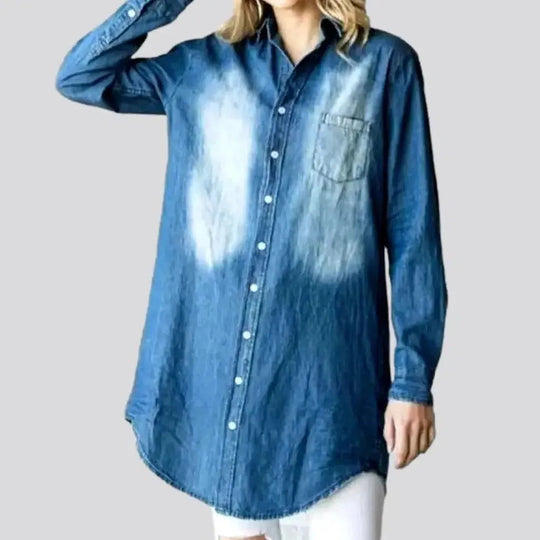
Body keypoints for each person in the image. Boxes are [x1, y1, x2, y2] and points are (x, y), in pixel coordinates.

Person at [55, 0, 448, 538]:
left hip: (332, 397)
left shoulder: (386, 66)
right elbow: (81, 77)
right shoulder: (201, 67)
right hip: (230, 396)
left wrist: (412, 381)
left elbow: (413, 231)